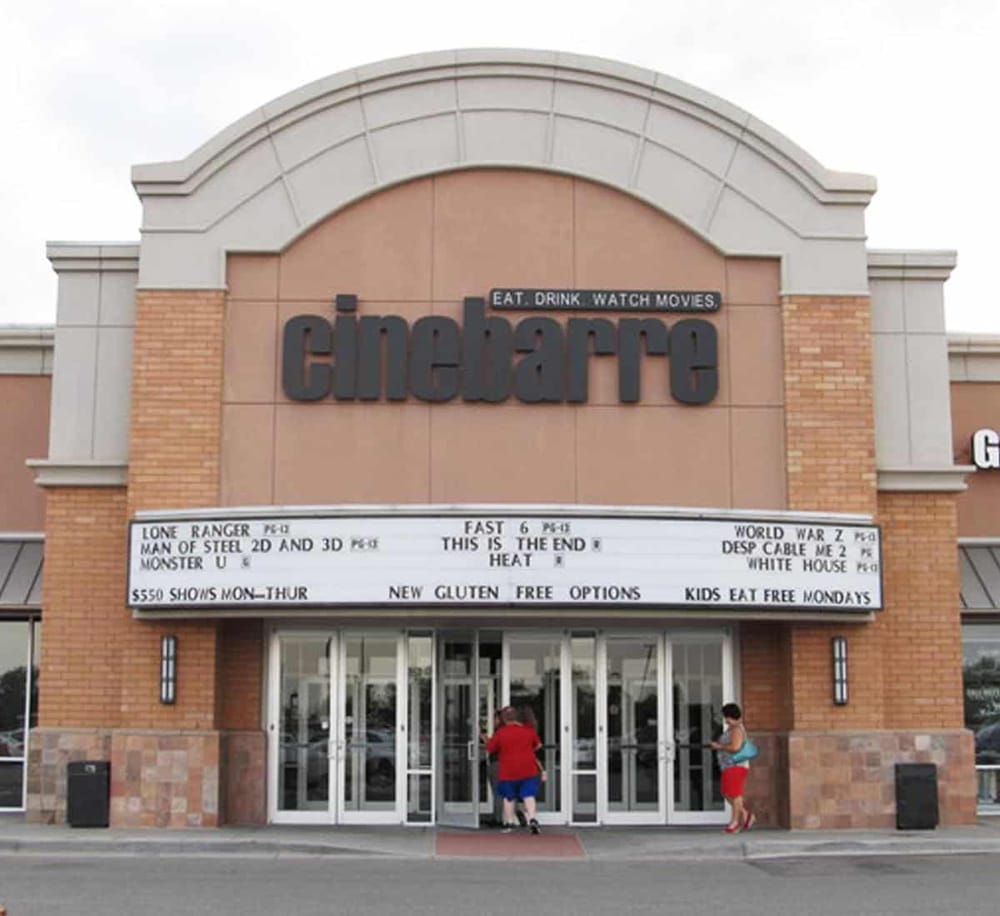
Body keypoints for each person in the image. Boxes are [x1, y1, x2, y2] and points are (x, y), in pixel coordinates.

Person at [486, 705, 542, 834]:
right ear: (517, 717)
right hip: (528, 768)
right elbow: (538, 745)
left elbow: (490, 748)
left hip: (508, 769)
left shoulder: (501, 733)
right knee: (528, 795)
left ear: (504, 719)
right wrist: (528, 751)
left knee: (509, 797)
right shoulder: (528, 731)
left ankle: (509, 823)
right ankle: (532, 819)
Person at [709, 702, 756, 834]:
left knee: (735, 794)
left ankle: (735, 822)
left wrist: (719, 747)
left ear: (731, 716)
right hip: (728, 766)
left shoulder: (736, 729)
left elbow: (735, 748)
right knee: (726, 792)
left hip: (735, 765)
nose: (725, 719)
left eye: (726, 717)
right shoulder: (732, 728)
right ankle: (746, 815)